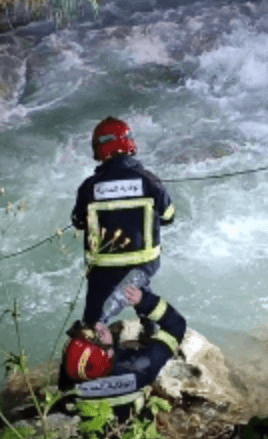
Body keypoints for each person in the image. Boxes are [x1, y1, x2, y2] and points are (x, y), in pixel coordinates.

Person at [71, 116, 175, 326]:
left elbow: (78, 222)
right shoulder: (150, 180)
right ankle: (151, 329)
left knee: (94, 316)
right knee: (139, 288)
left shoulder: (89, 186)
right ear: (130, 144)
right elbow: (168, 217)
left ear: (99, 148)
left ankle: (92, 334)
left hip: (104, 266)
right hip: (144, 263)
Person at [58, 285, 186, 421]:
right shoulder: (139, 370)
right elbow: (176, 326)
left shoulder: (71, 381)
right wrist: (146, 303)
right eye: (99, 335)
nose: (100, 326)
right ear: (107, 355)